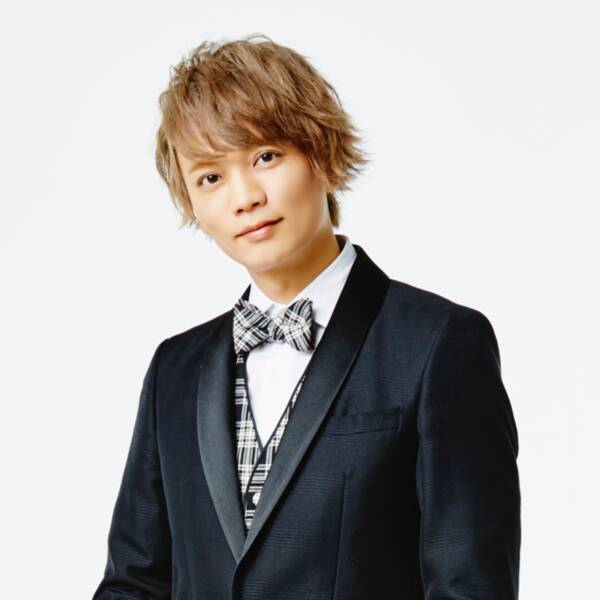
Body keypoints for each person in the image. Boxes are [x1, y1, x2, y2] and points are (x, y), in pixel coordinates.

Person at [93, 33, 521, 599]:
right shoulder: (173, 370)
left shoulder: (439, 344)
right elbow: (134, 583)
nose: (245, 197)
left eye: (265, 157)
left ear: (321, 152)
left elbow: (471, 587)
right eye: (210, 177)